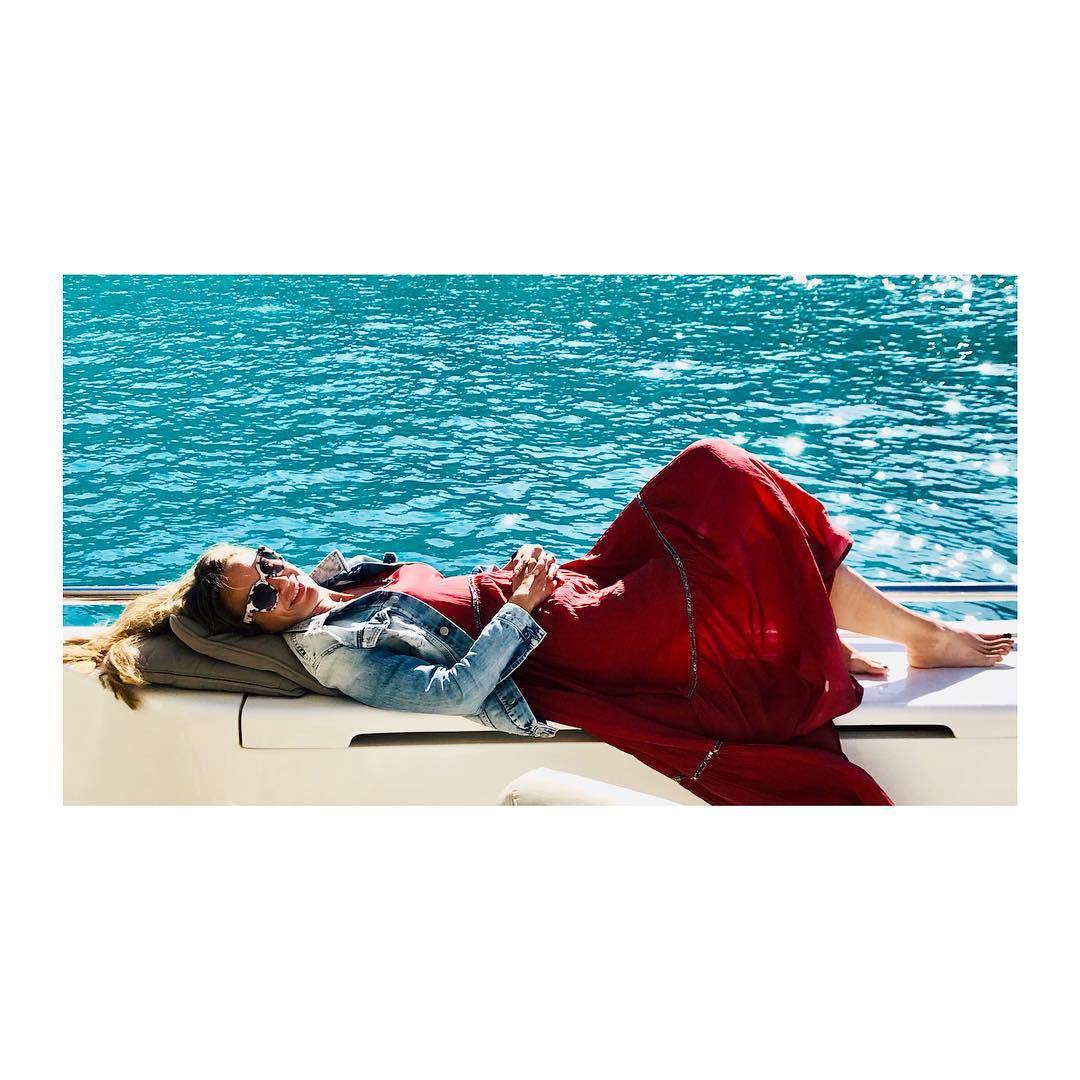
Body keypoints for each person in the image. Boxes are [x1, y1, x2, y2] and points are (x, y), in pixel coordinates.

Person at [64, 439, 1013, 805]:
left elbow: (370, 586)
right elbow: (454, 692)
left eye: (268, 561)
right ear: (255, 629)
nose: (279, 582)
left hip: (569, 590)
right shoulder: (330, 651)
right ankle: (914, 634)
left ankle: (844, 633)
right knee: (722, 495)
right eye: (259, 596)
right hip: (565, 638)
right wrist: (519, 605)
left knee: (711, 475)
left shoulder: (327, 587)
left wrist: (523, 577)